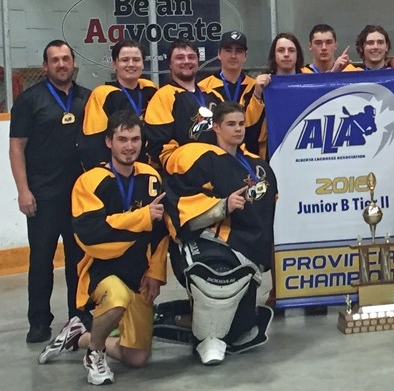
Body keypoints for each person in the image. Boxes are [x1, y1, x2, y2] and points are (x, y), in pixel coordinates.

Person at [38, 111, 168, 385]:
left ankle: (80, 337)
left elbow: (159, 232)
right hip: (99, 269)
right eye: (122, 139)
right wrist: (142, 216)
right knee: (117, 296)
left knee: (137, 358)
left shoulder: (150, 176)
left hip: (138, 274)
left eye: (135, 139)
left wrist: (156, 270)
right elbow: (93, 234)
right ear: (109, 141)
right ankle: (95, 354)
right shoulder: (89, 181)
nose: (129, 146)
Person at [163, 102, 277, 365]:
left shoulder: (258, 165)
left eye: (241, 124)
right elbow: (178, 201)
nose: (238, 129)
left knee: (242, 329)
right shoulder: (197, 157)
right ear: (215, 127)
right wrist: (220, 208)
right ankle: (198, 331)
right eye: (230, 124)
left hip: (247, 248)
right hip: (207, 243)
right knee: (214, 286)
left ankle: (187, 320)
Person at [9, 40, 91, 343]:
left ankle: (79, 316)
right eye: (54, 60)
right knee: (41, 260)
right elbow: (16, 147)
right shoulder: (29, 100)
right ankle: (39, 322)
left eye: (65, 59)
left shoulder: (88, 98)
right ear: (45, 66)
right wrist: (23, 190)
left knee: (78, 259)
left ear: (73, 63)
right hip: (42, 195)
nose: (61, 64)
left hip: (80, 195)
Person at [144, 38, 223, 168]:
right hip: (183, 175)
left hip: (217, 168)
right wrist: (186, 168)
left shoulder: (214, 95)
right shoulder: (163, 96)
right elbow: (159, 145)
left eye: (191, 57)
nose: (186, 61)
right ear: (170, 64)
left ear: (198, 61)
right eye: (180, 58)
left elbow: (228, 134)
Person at [80, 40, 158, 169]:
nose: (131, 64)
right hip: (117, 173)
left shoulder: (151, 90)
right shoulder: (102, 95)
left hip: (148, 171)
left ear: (143, 64)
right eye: (125, 60)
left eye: (136, 60)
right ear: (114, 64)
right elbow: (92, 142)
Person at [198, 31, 264, 155]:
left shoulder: (256, 87)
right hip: (215, 158)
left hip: (250, 158)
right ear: (219, 54)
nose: (233, 56)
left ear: (245, 56)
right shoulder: (203, 88)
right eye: (228, 50)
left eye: (239, 51)